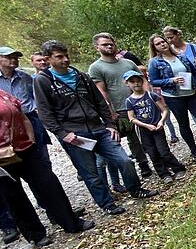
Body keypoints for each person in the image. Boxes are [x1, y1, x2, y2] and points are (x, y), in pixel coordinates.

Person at [33, 40, 158, 215]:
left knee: (124, 160)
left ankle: (135, 189)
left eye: (66, 55)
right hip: (74, 133)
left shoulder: (80, 76)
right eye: (59, 57)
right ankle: (107, 203)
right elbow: (45, 112)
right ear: (48, 59)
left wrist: (109, 124)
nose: (65, 60)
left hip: (98, 127)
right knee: (90, 172)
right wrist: (62, 133)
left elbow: (99, 101)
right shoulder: (43, 81)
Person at [0, 89, 95, 247]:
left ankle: (70, 222)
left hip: (25, 148)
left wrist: (31, 138)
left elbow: (22, 116)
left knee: (49, 183)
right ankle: (35, 235)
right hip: (2, 159)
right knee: (14, 196)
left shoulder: (3, 93)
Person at [88, 33, 154, 181]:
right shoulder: (96, 68)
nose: (110, 46)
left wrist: (150, 97)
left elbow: (142, 80)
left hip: (140, 104)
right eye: (105, 44)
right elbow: (102, 92)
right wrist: (110, 111)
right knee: (124, 140)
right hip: (119, 109)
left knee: (147, 134)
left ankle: (149, 163)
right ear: (97, 47)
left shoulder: (128, 63)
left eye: (111, 43)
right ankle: (119, 177)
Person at [147, 34, 196, 160]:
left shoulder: (181, 57)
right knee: (184, 123)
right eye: (158, 44)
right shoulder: (154, 62)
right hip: (173, 96)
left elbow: (195, 72)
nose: (163, 44)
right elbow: (154, 81)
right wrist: (171, 80)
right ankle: (194, 150)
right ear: (154, 48)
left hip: (191, 93)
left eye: (163, 41)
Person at [123, 70, 186, 184]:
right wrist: (146, 125)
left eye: (138, 81)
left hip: (158, 128)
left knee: (163, 151)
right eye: (132, 81)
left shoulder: (151, 95)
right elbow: (132, 118)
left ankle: (178, 168)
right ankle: (164, 174)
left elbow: (164, 110)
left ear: (143, 82)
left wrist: (161, 122)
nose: (136, 84)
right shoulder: (129, 101)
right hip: (144, 131)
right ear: (127, 84)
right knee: (152, 153)